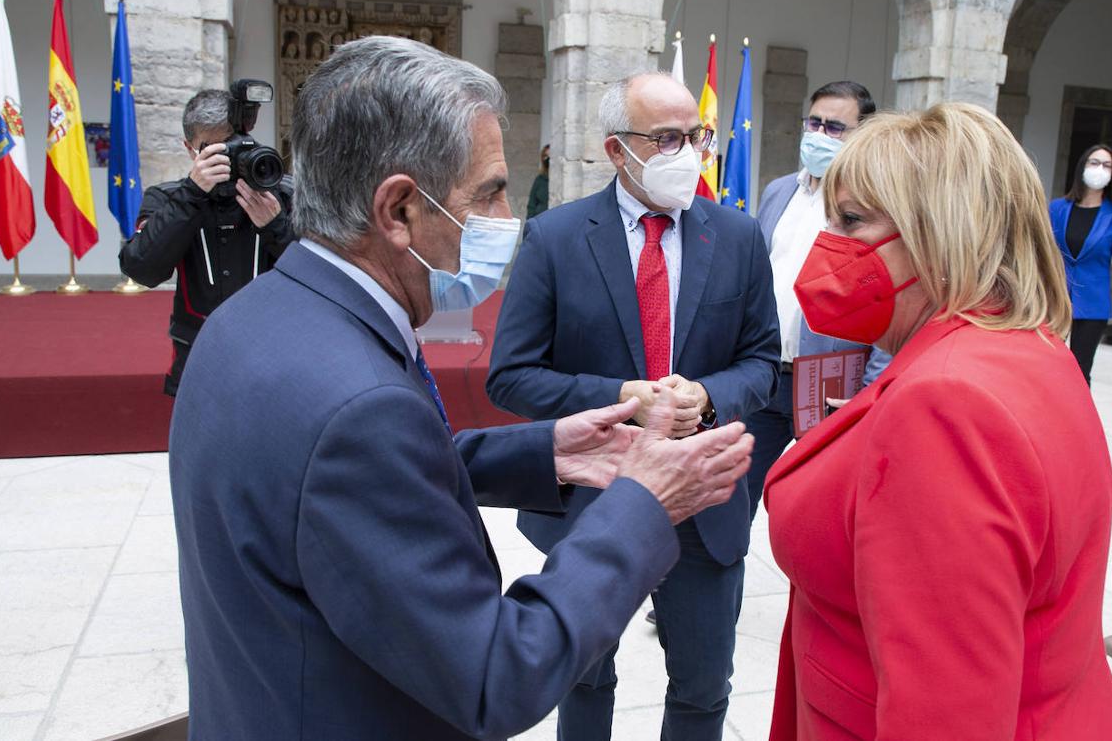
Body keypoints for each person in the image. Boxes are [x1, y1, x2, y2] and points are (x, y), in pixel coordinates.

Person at [169, 37, 756, 741]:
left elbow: (347, 484)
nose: (507, 219)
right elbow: (498, 677)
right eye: (489, 192)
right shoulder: (361, 411)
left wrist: (544, 452)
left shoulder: (252, 315)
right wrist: (644, 501)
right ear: (399, 210)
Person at [764, 103, 1112, 740]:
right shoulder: (1028, 345)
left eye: (851, 221)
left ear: (937, 233)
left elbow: (944, 715)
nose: (829, 245)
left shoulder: (944, 405)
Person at [487, 72, 780, 741]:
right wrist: (620, 397)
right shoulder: (557, 238)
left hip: (702, 499)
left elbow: (764, 363)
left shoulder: (737, 237)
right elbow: (511, 377)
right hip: (593, 497)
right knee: (585, 678)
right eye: (667, 139)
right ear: (617, 150)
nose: (689, 154)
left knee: (704, 687)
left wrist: (707, 395)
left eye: (697, 137)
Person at [747, 80, 890, 519]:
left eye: (835, 127)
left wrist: (870, 392)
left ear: (862, 135)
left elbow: (888, 301)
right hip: (765, 373)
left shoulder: (875, 206)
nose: (820, 135)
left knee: (817, 510)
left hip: (830, 384)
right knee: (730, 501)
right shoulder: (778, 192)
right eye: (814, 123)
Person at [119, 88, 294, 396]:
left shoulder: (282, 195)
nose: (227, 158)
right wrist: (192, 194)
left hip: (275, 351)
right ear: (190, 150)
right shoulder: (169, 199)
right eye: (214, 150)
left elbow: (322, 271)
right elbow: (142, 269)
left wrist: (275, 225)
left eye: (232, 144)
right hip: (199, 353)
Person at [1050, 143, 1112, 384]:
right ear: (1083, 167)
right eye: (1094, 162)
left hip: (1093, 305)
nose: (1100, 169)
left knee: (1079, 374)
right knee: (1047, 367)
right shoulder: (1057, 209)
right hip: (1056, 300)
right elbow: (1042, 255)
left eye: (1107, 165)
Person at [526, 144, 549, 219]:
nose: (548, 159)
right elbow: (531, 204)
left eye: (550, 156)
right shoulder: (540, 179)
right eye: (545, 156)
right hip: (540, 218)